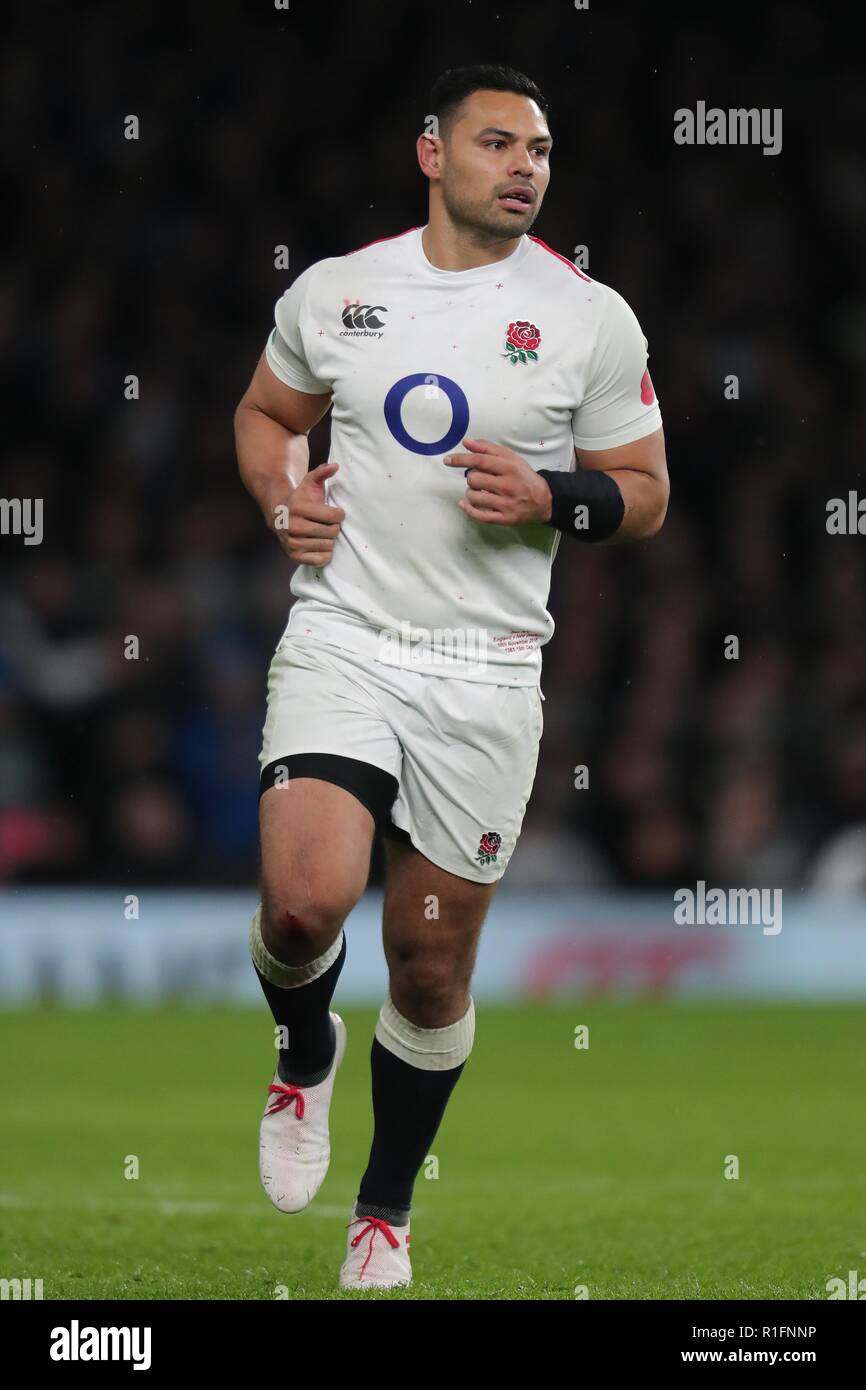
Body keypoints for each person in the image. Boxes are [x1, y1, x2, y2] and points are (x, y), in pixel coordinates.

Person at [234, 62, 668, 1290]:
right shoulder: (337, 292)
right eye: (497, 143)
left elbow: (643, 497)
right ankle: (302, 1044)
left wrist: (551, 497)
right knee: (304, 906)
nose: (525, 166)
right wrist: (283, 502)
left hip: (483, 671)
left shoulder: (590, 316)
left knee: (427, 967)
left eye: (538, 151)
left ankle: (382, 1210)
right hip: (345, 638)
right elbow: (266, 417)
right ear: (432, 153)